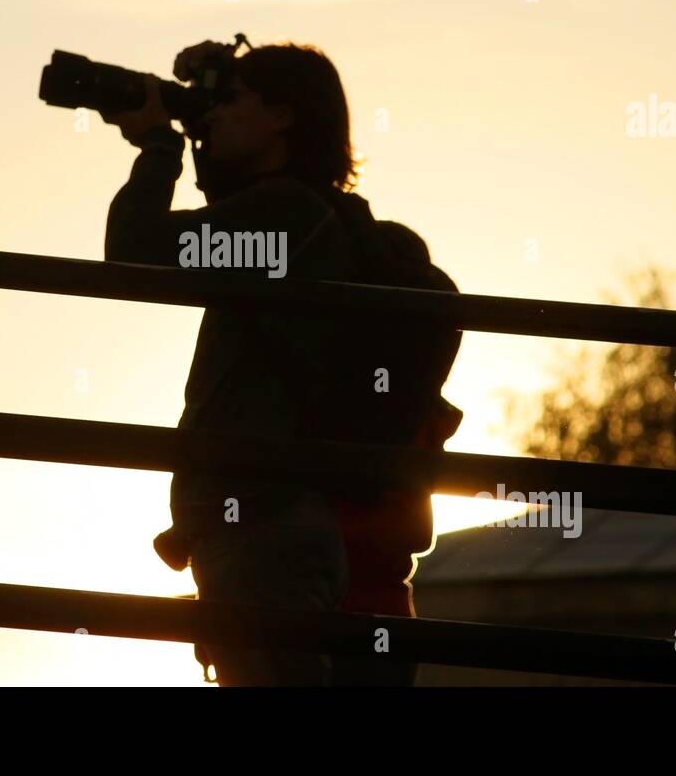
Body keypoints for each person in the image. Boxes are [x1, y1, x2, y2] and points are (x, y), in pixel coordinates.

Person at [101, 40, 453, 685]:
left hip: (261, 524)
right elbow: (224, 220)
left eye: (231, 101)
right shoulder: (320, 224)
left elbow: (134, 253)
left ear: (283, 116)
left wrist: (158, 146)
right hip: (291, 525)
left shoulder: (285, 218)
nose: (211, 118)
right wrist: (207, 120)